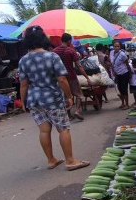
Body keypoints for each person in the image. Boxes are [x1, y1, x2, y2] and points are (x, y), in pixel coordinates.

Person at [18, 26, 90, 171]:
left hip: (35, 100)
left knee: (44, 131)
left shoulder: (23, 60)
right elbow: (62, 79)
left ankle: (51, 160)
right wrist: (69, 96)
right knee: (63, 129)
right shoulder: (51, 56)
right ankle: (70, 161)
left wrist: (23, 101)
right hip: (52, 98)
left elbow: (23, 84)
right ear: (43, 39)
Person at [53, 33, 90, 121]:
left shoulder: (54, 52)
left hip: (60, 78)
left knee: (66, 96)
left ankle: (69, 116)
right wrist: (87, 77)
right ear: (69, 41)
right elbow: (79, 66)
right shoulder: (71, 51)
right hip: (71, 76)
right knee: (78, 95)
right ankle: (77, 111)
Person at [110, 40, 131, 110]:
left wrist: (130, 74)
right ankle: (122, 103)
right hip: (116, 74)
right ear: (113, 46)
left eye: (118, 46)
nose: (116, 47)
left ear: (120, 47)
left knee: (124, 89)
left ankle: (127, 104)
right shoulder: (111, 53)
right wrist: (113, 71)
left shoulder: (122, 54)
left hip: (124, 73)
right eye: (115, 46)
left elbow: (127, 64)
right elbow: (112, 63)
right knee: (119, 89)